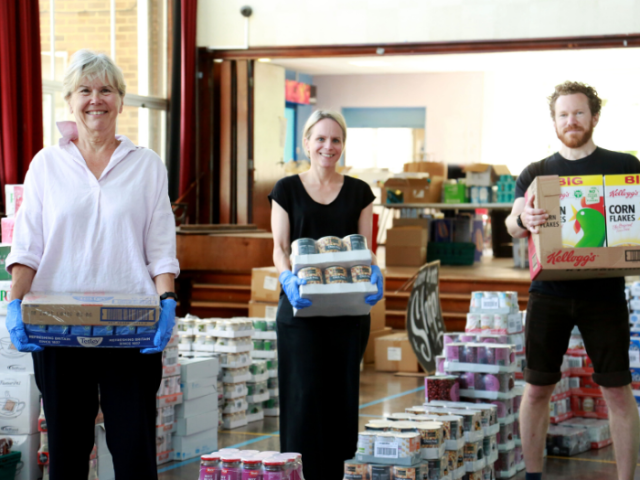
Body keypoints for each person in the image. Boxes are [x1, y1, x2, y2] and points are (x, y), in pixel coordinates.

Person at [4, 50, 179, 480]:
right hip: (58, 326)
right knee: (66, 451)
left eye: (106, 90)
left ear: (121, 101)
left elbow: (160, 246)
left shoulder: (146, 165)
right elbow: (28, 246)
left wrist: (168, 299)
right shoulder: (46, 165)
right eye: (84, 90)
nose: (95, 99)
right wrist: (13, 303)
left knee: (134, 449)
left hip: (130, 326)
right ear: (69, 100)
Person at [506, 81, 640, 480]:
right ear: (554, 120)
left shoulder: (625, 167)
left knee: (616, 389)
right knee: (536, 389)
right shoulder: (537, 173)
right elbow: (512, 224)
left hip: (605, 294)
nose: (571, 121)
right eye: (563, 114)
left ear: (594, 117)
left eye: (579, 113)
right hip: (549, 294)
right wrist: (523, 220)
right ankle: (532, 475)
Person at [269, 110, 383, 480]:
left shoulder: (360, 193)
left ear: (343, 146)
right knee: (302, 401)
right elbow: (280, 247)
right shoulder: (286, 189)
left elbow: (366, 250)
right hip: (300, 314)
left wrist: (375, 272)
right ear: (306, 142)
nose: (327, 146)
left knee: (339, 402)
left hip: (348, 316)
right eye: (320, 139)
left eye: (335, 140)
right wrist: (286, 278)